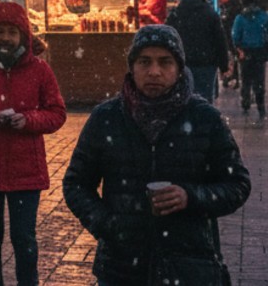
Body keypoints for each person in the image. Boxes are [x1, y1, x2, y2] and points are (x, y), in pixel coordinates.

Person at [62, 25, 250, 285]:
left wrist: (191, 196)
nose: (154, 71)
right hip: (121, 267)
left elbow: (237, 184)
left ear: (179, 67)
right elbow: (76, 184)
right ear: (132, 67)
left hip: (189, 264)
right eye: (144, 61)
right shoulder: (107, 118)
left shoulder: (205, 118)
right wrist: (109, 225)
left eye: (165, 62)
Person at [0, 2, 66, 286]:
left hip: (26, 169)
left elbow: (57, 113)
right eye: (0, 32)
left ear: (23, 35)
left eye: (12, 32)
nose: (5, 38)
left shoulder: (40, 70)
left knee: (24, 238)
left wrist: (28, 120)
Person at [166, 0, 230, 104]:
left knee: (185, 97)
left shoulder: (177, 13)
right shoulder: (210, 14)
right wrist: (223, 65)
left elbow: (169, 34)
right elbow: (220, 41)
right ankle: (202, 115)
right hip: (206, 63)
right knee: (204, 98)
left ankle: (188, 115)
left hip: (183, 62)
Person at [230, 0, 267, 121]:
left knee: (246, 79)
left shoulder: (240, 18)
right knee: (259, 80)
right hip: (259, 52)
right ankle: (260, 105)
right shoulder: (263, 16)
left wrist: (238, 48)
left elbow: (235, 36)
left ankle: (246, 102)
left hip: (245, 53)